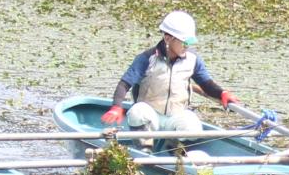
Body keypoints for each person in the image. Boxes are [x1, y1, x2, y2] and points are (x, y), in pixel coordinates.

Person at [101, 11, 238, 140]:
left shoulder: (193, 60)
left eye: (190, 42)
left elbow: (206, 84)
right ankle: (145, 148)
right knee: (137, 113)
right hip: (151, 114)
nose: (187, 46)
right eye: (184, 42)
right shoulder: (147, 58)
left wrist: (222, 93)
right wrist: (116, 107)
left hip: (175, 116)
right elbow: (124, 84)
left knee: (193, 128)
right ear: (167, 38)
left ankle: (173, 146)